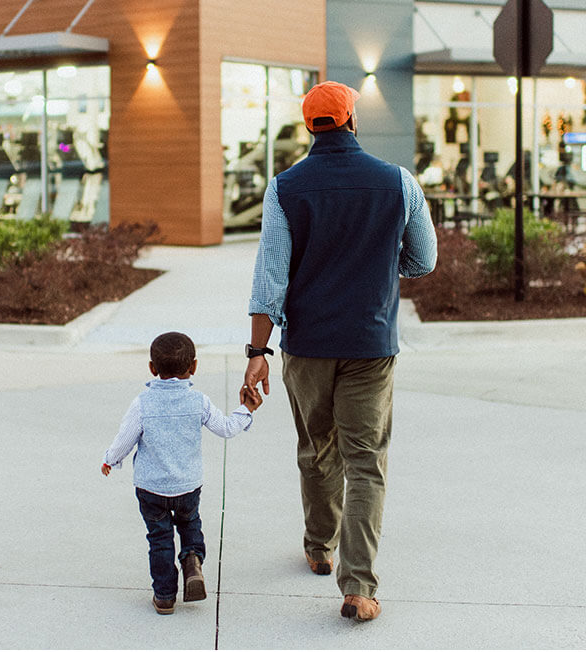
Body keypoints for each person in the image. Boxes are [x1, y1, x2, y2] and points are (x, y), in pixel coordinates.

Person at [241, 81, 437, 622]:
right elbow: (423, 262)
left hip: (306, 347)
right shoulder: (399, 183)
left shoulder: (285, 188)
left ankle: (318, 545)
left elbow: (269, 278)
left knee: (316, 449)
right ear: (353, 120)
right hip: (370, 345)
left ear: (309, 127)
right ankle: (359, 587)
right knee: (366, 462)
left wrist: (258, 350)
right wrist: (376, 268)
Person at [101, 331, 262, 615]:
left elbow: (124, 440)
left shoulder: (142, 403)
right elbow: (225, 428)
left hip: (151, 489)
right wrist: (246, 409)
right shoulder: (198, 401)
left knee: (159, 539)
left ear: (152, 368)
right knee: (190, 525)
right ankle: (191, 560)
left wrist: (110, 461)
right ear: (194, 367)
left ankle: (164, 596)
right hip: (188, 487)